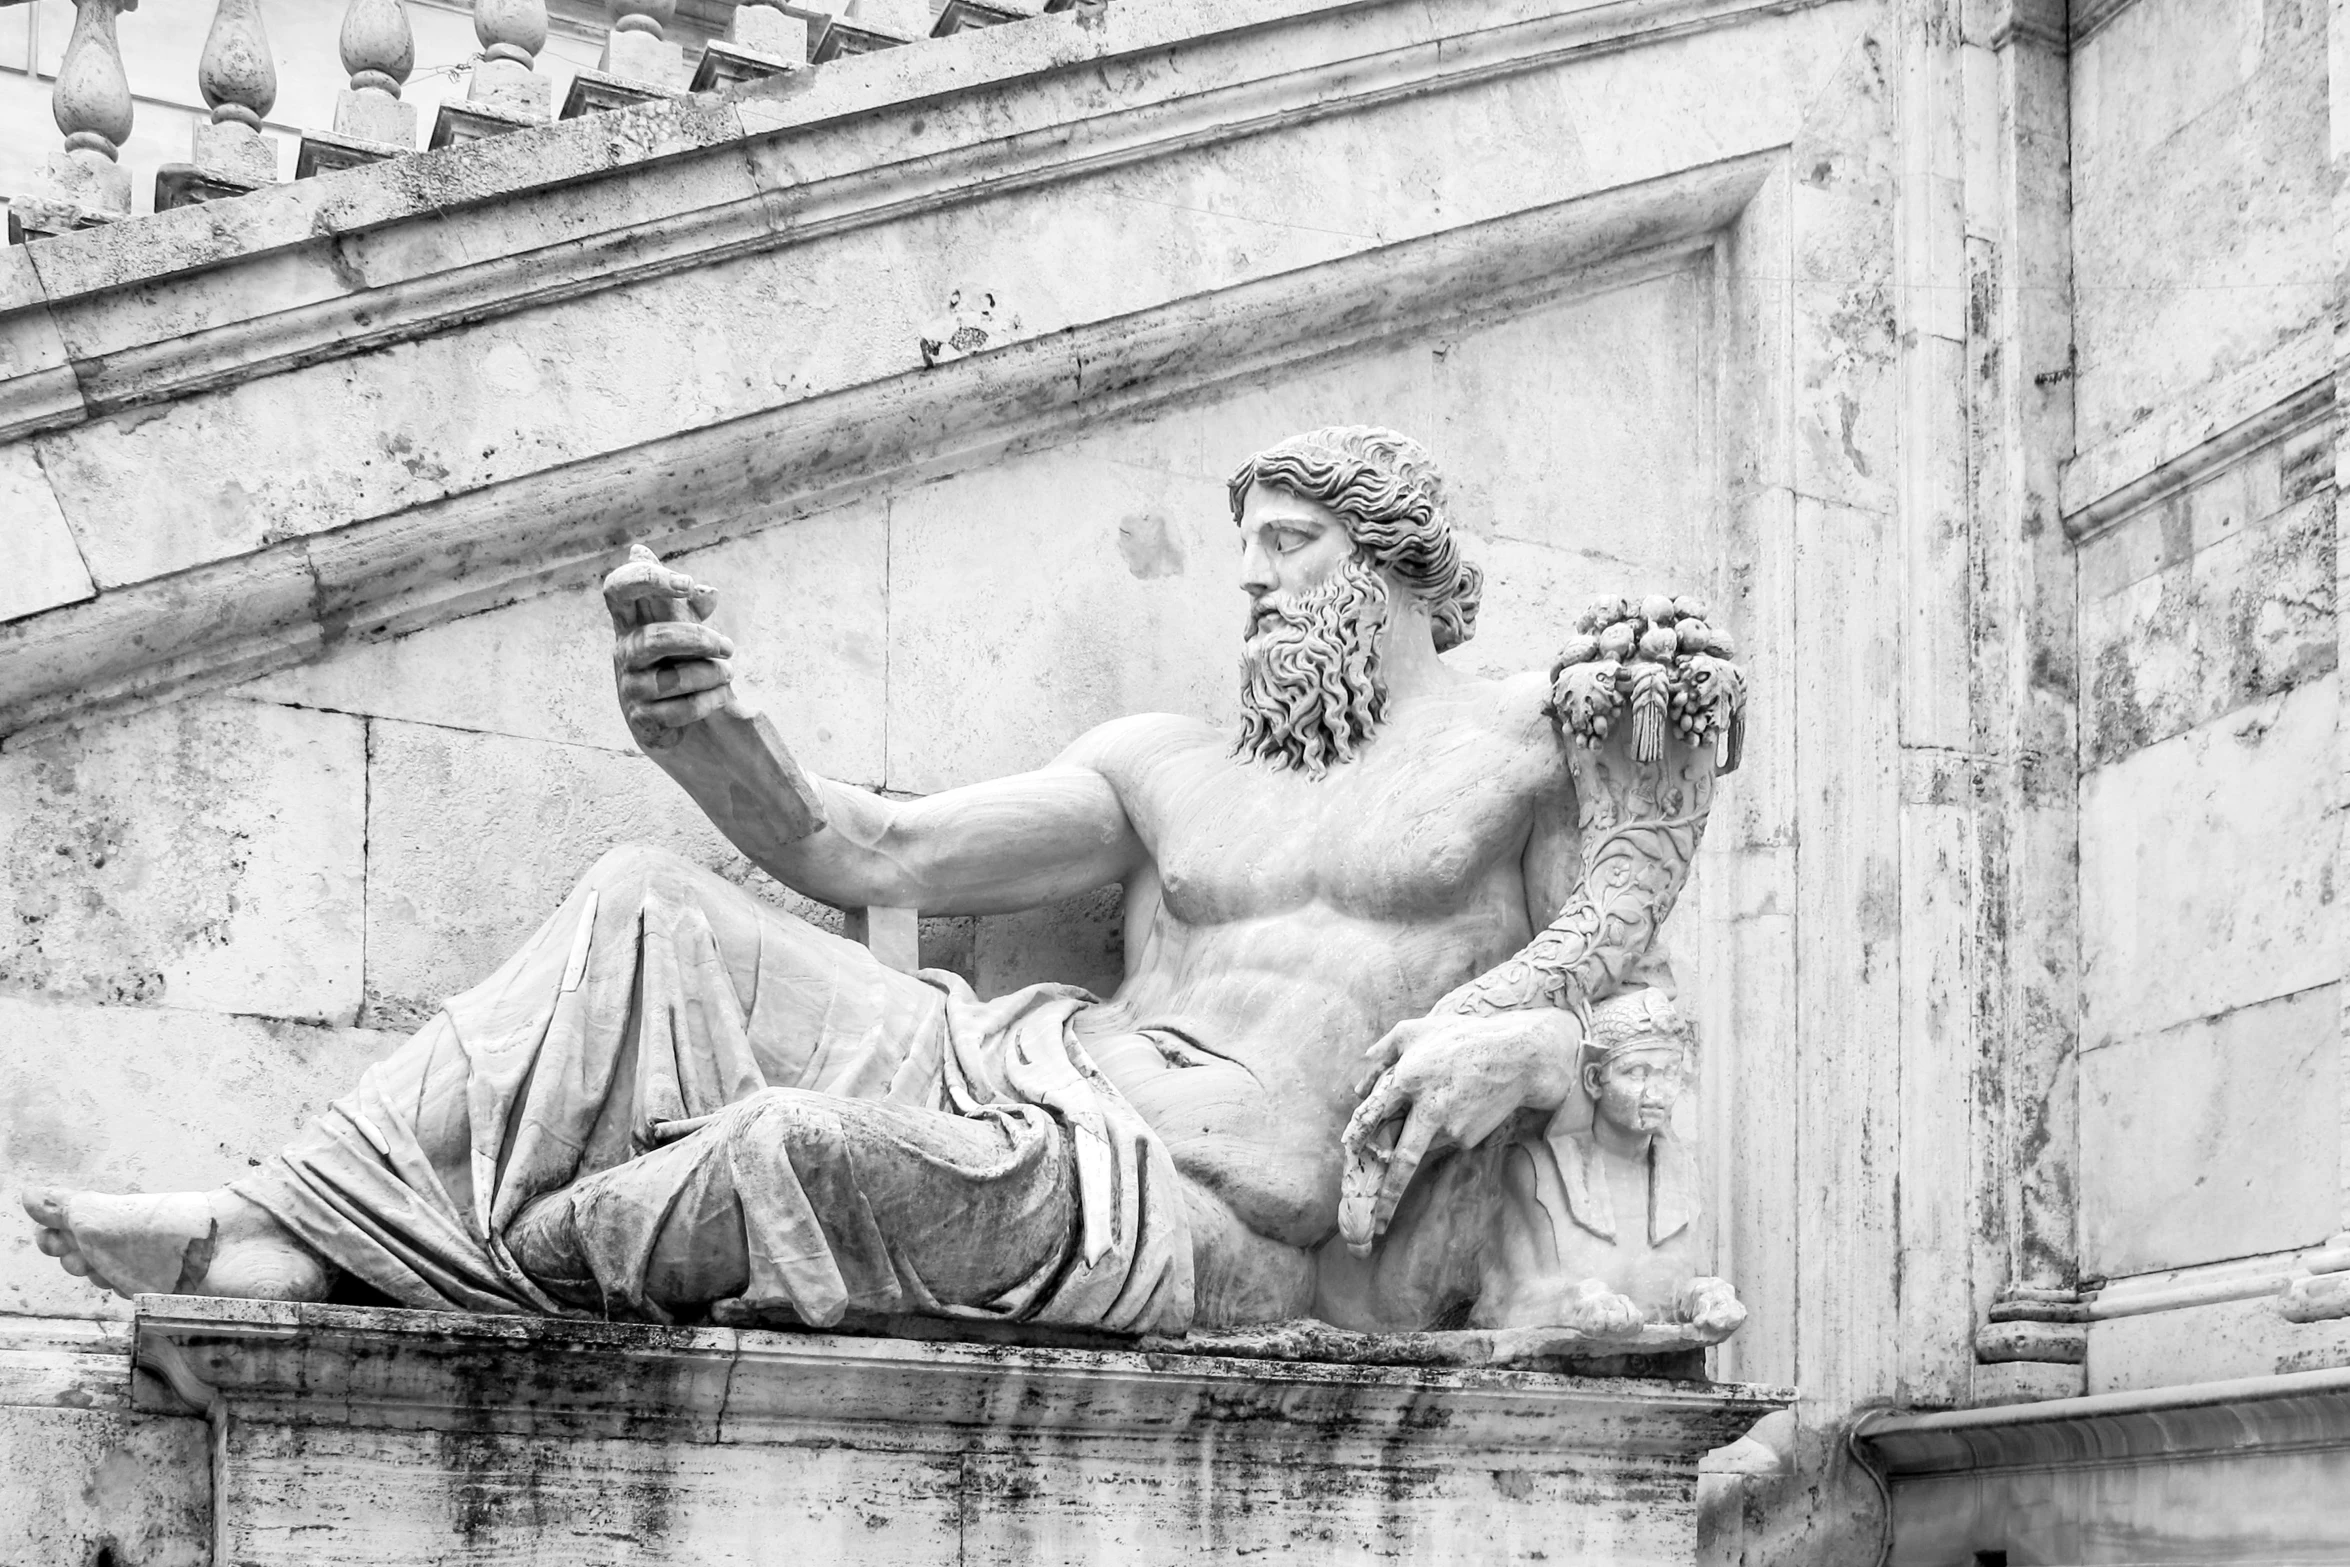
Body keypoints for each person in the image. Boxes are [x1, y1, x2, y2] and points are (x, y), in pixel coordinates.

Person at [25, 426, 1710, 1337]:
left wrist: (1530, 1050)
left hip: (1210, 1215)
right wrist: (710, 734)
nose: (1256, 583)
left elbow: (1624, 989)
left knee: (787, 1149)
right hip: (1041, 1075)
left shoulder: (1530, 749)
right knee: (644, 895)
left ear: (1401, 568)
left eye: (1295, 547)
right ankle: (285, 1226)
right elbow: (866, 850)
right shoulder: (1163, 762)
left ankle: (435, 1257)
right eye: (1246, 548)